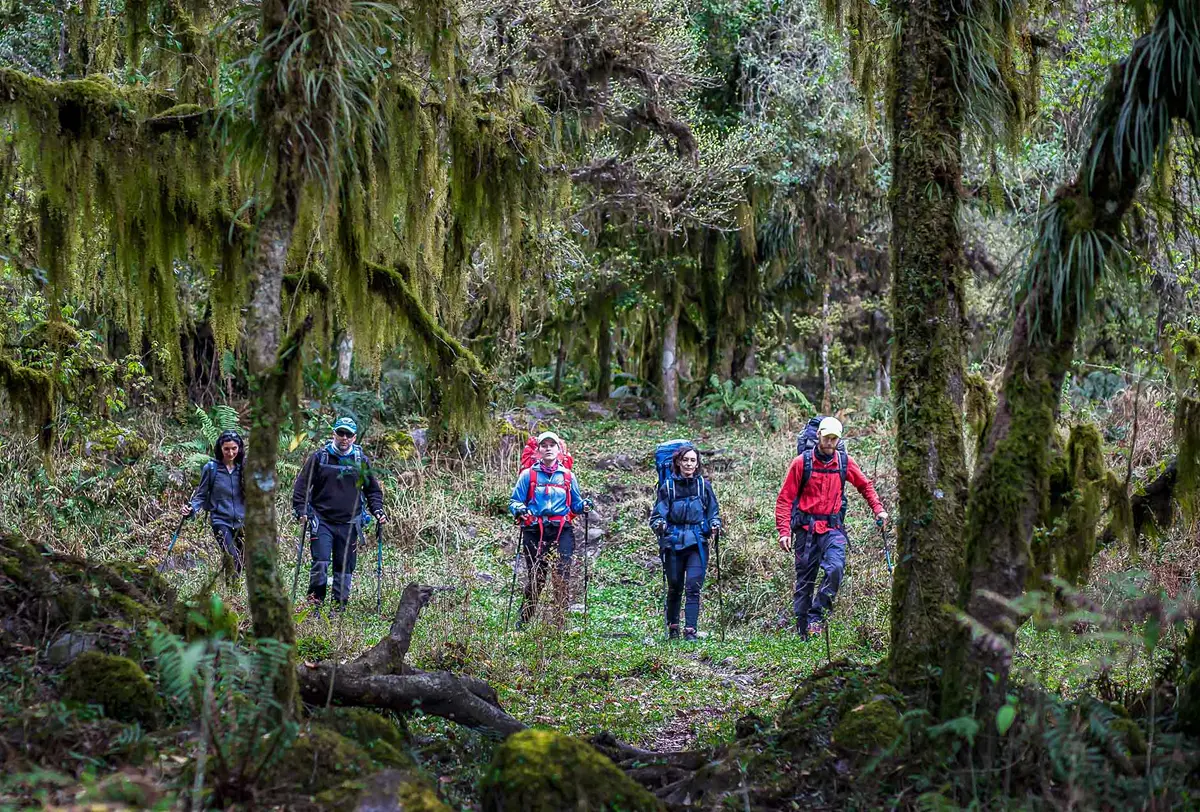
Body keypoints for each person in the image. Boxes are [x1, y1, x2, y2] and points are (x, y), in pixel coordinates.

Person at [774, 417, 888, 639]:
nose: (829, 442)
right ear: (818, 435)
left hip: (833, 529)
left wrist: (878, 509)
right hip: (806, 530)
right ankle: (803, 634)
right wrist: (784, 532)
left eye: (834, 438)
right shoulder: (801, 463)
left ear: (839, 439)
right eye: (827, 437)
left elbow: (865, 485)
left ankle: (816, 616)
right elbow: (785, 499)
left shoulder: (844, 462)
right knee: (805, 582)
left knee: (835, 568)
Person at [293, 417, 386, 612]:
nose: (344, 438)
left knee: (344, 568)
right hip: (322, 520)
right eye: (341, 433)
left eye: (348, 435)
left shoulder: (361, 461)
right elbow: (301, 486)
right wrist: (301, 510)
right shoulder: (319, 458)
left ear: (354, 437)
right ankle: (314, 606)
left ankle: (338, 609)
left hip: (350, 523)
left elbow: (373, 491)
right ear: (333, 434)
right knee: (320, 562)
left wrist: (378, 510)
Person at [508, 431, 593, 629]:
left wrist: (584, 506)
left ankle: (559, 623)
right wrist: (519, 509)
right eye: (544, 445)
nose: (548, 448)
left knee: (562, 575)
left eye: (552, 445)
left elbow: (575, 505)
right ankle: (524, 620)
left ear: (558, 449)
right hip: (534, 530)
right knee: (537, 575)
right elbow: (515, 501)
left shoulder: (568, 476)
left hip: (561, 530)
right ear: (538, 450)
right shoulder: (528, 475)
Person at [649, 444, 722, 641]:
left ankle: (691, 630)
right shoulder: (668, 487)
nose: (689, 464)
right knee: (675, 585)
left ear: (697, 464)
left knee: (693, 586)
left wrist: (715, 523)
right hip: (673, 542)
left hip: (697, 543)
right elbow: (657, 515)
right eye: (685, 460)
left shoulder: (704, 486)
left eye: (692, 460)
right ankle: (673, 626)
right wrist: (660, 524)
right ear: (678, 462)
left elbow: (713, 512)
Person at [183, 430, 246, 579]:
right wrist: (191, 509)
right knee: (232, 557)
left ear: (239, 448)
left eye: (234, 448)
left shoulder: (244, 468)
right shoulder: (211, 468)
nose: (231, 453)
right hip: (220, 521)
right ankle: (233, 590)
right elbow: (201, 495)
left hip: (243, 521)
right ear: (220, 448)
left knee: (242, 561)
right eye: (226, 449)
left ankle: (233, 588)